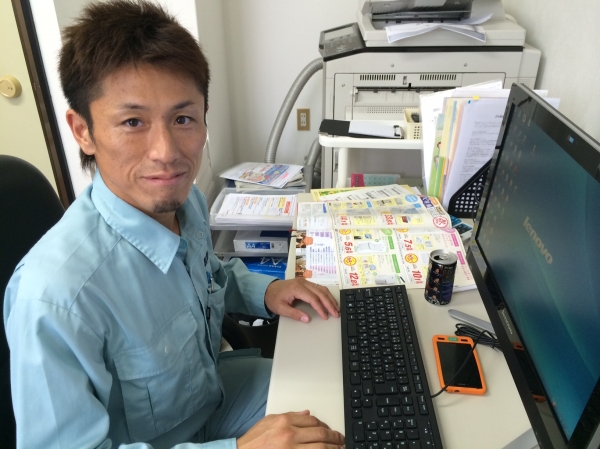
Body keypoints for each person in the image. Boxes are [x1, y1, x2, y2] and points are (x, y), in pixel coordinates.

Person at [3, 1, 345, 448]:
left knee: (350, 396)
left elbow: (211, 275)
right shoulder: (55, 297)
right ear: (83, 130)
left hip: (210, 395)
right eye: (133, 122)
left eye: (183, 119)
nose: (166, 152)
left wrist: (266, 290)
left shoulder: (187, 203)